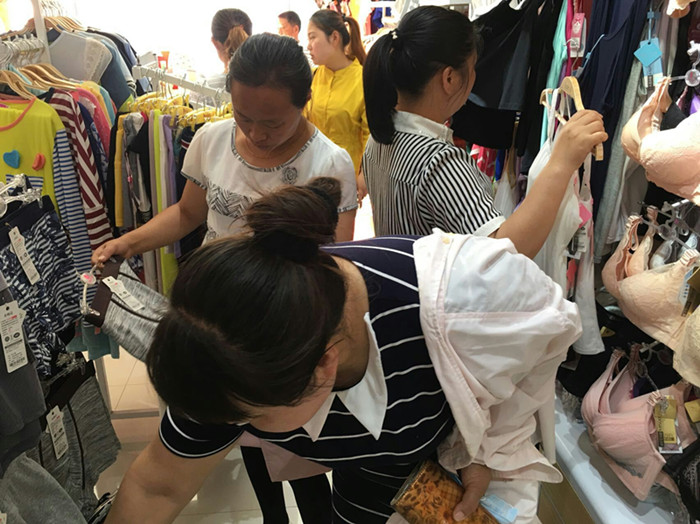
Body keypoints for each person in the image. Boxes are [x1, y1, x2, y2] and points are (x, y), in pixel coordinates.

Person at [103, 177, 580, 523]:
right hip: (371, 474)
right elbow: (158, 487)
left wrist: (482, 448)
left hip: (444, 464)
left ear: (324, 366)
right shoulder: (220, 350)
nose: (236, 429)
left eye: (251, 418)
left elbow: (546, 335)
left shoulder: (463, 301)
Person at [94, 33, 359, 523]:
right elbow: (187, 214)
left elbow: (335, 263)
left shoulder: (329, 163)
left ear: (304, 101)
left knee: (298, 456)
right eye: (243, 116)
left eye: (273, 122)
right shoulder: (212, 140)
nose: (256, 133)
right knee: (244, 436)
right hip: (219, 322)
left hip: (284, 334)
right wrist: (128, 242)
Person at [362, 6, 608, 258]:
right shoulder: (438, 163)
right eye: (472, 68)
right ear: (449, 79)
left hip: (399, 277)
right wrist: (561, 162)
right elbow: (502, 253)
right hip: (430, 283)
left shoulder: (379, 137)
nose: (474, 76)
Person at [305, 9, 370, 200]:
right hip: (310, 175)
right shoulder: (313, 76)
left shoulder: (363, 79)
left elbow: (370, 136)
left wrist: (364, 175)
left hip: (345, 179)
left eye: (312, 37)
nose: (308, 46)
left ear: (334, 38)